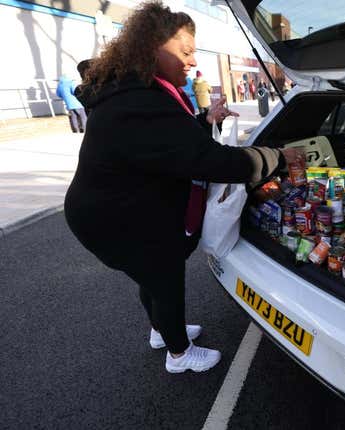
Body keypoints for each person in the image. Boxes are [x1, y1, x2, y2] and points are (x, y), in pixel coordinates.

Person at [64, 1, 303, 374]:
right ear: (150, 49)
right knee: (165, 278)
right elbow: (213, 162)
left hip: (108, 212)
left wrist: (205, 118)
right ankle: (179, 354)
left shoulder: (136, 92)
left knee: (151, 276)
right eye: (185, 51)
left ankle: (161, 330)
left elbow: (167, 141)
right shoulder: (140, 101)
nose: (192, 61)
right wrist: (279, 157)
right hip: (115, 218)